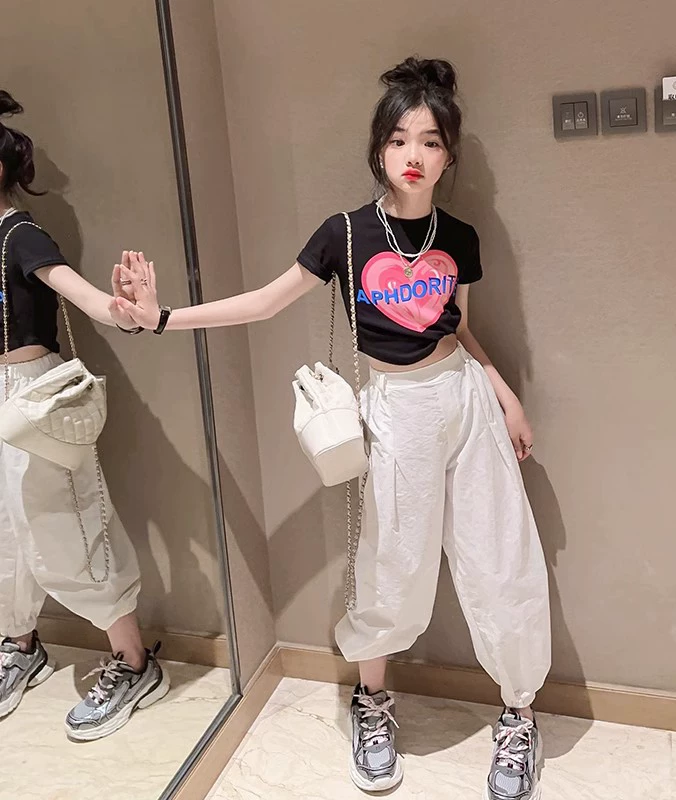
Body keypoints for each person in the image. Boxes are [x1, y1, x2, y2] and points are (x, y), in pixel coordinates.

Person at [117, 58, 551, 800]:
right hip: (395, 410)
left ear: (449, 156)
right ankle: (372, 702)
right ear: (379, 149)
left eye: (431, 142)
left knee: (499, 557)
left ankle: (518, 714)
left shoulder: (460, 235)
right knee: (391, 563)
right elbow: (263, 302)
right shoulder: (345, 234)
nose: (414, 155)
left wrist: (503, 392)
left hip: (466, 401)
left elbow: (459, 327)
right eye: (400, 139)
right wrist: (162, 318)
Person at [0, 90, 168, 740]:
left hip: (34, 397)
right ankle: (20, 644)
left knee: (68, 526)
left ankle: (133, 661)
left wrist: (125, 308)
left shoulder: (21, 235)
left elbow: (86, 298)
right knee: (7, 533)